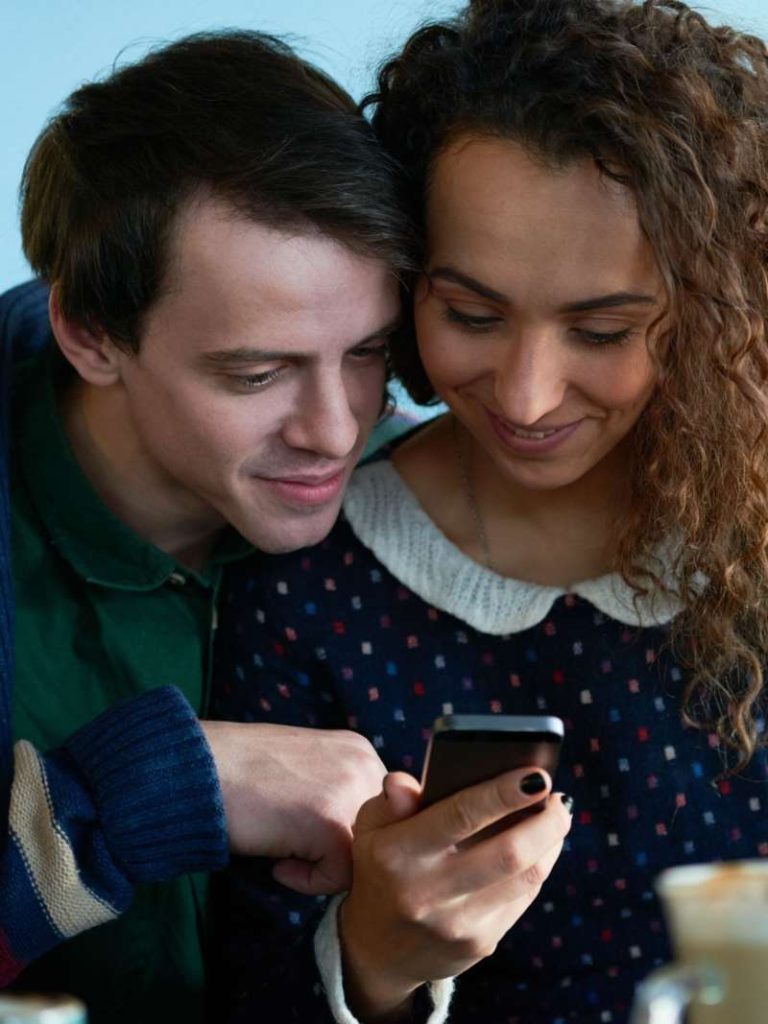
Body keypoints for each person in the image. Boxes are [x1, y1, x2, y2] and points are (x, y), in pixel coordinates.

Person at [212, 0, 768, 1021]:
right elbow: (234, 988)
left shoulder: (754, 537)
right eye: (471, 314)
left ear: (711, 312)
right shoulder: (298, 581)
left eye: (602, 330)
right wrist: (373, 960)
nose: (524, 396)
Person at [0, 30, 419, 1024]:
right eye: (255, 373)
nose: (336, 429)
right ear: (92, 335)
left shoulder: (416, 497)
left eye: (367, 352)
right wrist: (146, 790)